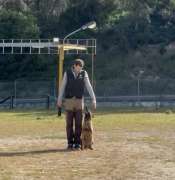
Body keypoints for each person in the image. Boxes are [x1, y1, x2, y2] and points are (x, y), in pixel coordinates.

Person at [57, 59, 96, 150]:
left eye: (81, 68)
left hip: (79, 101)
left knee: (79, 123)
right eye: (78, 67)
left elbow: (89, 86)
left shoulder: (84, 73)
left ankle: (78, 143)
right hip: (69, 101)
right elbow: (62, 86)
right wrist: (59, 99)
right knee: (69, 123)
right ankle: (70, 143)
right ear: (74, 66)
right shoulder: (67, 73)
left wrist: (94, 99)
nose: (80, 70)